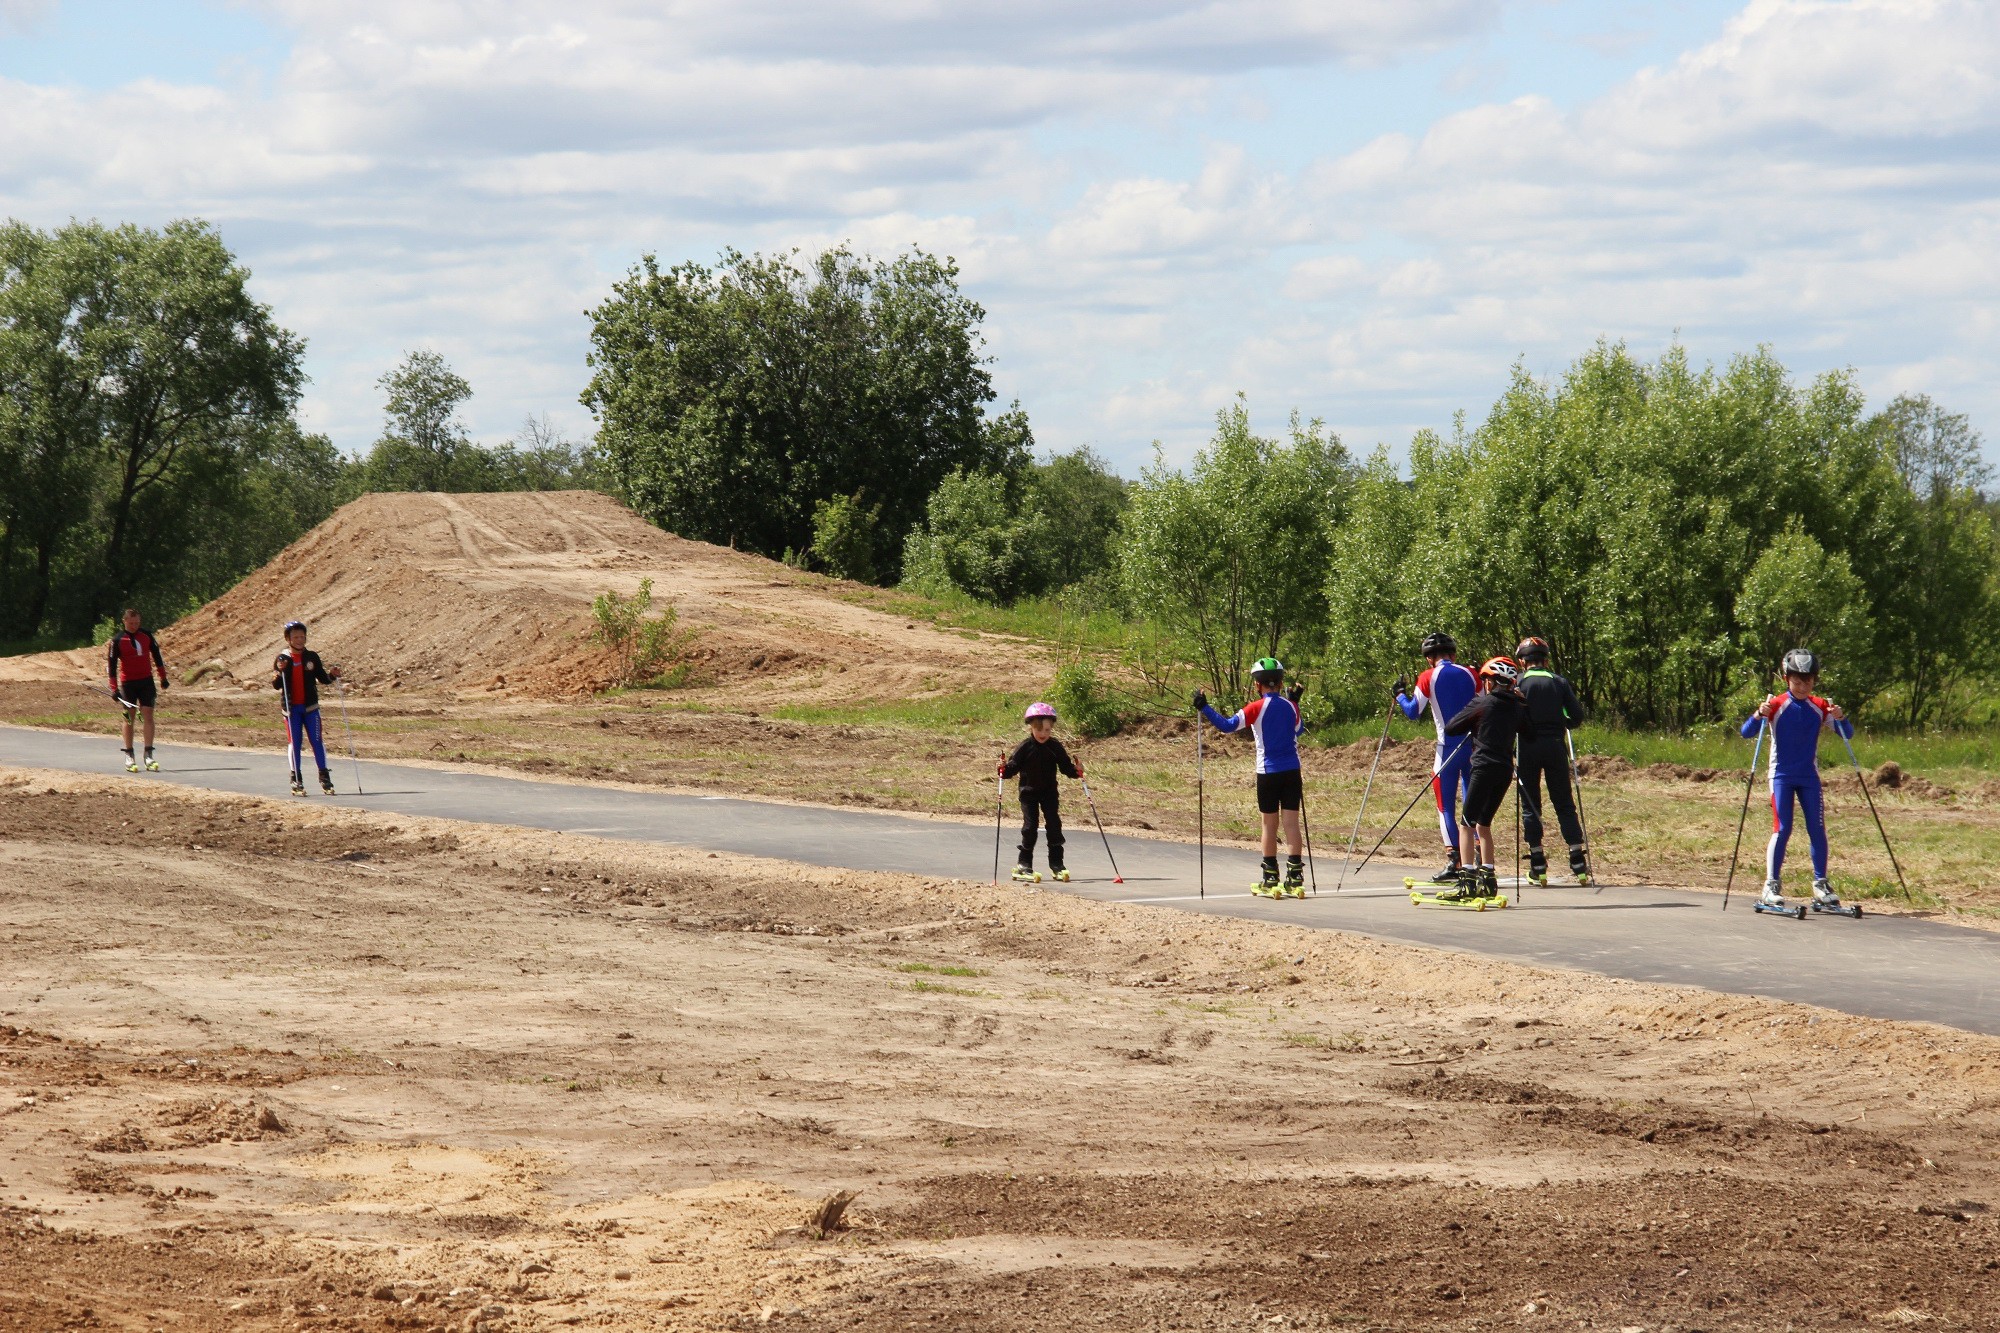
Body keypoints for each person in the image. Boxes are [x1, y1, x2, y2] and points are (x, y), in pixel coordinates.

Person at [1741, 648, 1852, 912]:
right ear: (1786, 679)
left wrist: (1840, 717)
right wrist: (1759, 713)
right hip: (1781, 775)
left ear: (1814, 680)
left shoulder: (1820, 706)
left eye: (1808, 681)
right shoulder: (1777, 704)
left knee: (1817, 829)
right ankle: (1771, 886)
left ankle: (1821, 885)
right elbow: (1746, 733)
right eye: (1797, 681)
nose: (1803, 686)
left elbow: (1848, 734)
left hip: (1809, 776)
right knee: (1783, 828)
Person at [1194, 657, 1306, 898]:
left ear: (1258, 685)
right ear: (1281, 682)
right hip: (1292, 771)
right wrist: (1295, 702)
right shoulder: (1289, 706)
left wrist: (1204, 707)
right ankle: (1295, 878)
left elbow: (1227, 725)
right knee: (1291, 824)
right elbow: (1299, 728)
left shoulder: (1256, 707)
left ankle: (1270, 878)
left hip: (1268, 771)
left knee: (1269, 824)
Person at [1440, 656, 1535, 900]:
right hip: (1505, 770)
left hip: (1483, 767)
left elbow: (1451, 727)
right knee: (1484, 824)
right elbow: (1530, 733)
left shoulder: (1483, 703)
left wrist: (1475, 723)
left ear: (1491, 683)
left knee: (1466, 824)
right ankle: (1489, 877)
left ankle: (1468, 880)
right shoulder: (1517, 706)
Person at [1394, 633, 1479, 883]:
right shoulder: (1470, 673)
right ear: (1453, 655)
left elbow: (1412, 712)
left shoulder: (1427, 676)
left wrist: (1399, 695)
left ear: (1430, 658)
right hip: (1473, 748)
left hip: (1446, 750)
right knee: (1471, 806)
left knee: (1445, 808)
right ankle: (1476, 855)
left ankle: (1454, 860)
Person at [1514, 637, 1591, 884]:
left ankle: (1537, 861)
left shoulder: (1517, 682)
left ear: (1521, 661)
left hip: (1527, 747)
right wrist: (1561, 724)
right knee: (1564, 802)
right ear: (1546, 660)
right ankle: (1577, 858)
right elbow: (1577, 716)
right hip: (1555, 747)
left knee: (1530, 804)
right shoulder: (1559, 682)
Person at [1000, 702, 1081, 883]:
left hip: (1049, 793)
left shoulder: (1055, 747)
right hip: (1029, 793)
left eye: (1048, 730)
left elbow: (1066, 768)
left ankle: (1057, 865)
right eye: (1040, 730)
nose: (1044, 734)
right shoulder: (1024, 747)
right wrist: (1003, 770)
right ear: (1031, 727)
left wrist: (1077, 771)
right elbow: (1011, 769)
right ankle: (1023, 864)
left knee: (1054, 825)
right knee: (1030, 828)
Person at [273, 619, 343, 797]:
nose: (299, 640)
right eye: (295, 637)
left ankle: (324, 777)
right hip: (291, 709)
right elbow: (276, 685)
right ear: (288, 639)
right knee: (295, 743)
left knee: (317, 741)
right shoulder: (283, 659)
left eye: (302, 637)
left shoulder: (312, 657)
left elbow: (323, 679)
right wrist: (280, 671)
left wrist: (333, 676)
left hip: (311, 707)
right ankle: (296, 778)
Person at [105, 607, 169, 773]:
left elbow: (157, 656)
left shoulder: (146, 635)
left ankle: (148, 754)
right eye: (131, 623)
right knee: (129, 716)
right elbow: (111, 666)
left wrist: (163, 678)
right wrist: (114, 688)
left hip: (146, 681)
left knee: (148, 714)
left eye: (137, 623)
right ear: (124, 621)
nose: (134, 625)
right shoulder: (117, 640)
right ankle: (129, 754)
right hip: (128, 684)